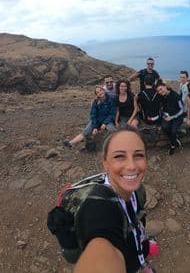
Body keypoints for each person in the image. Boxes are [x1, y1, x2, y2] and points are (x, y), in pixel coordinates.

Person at [73, 128, 157, 273]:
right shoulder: (98, 207)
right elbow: (101, 249)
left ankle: (142, 260)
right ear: (105, 163)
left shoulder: (137, 189)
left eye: (138, 155)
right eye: (119, 156)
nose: (131, 166)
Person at [156, 81, 184, 155]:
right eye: (158, 91)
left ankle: (172, 146)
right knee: (164, 127)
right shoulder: (161, 96)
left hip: (177, 116)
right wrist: (164, 115)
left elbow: (182, 109)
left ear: (165, 86)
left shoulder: (175, 95)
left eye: (161, 89)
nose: (160, 92)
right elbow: (161, 108)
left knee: (173, 131)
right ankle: (174, 140)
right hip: (167, 116)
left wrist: (172, 117)